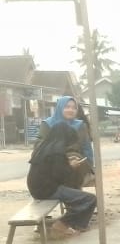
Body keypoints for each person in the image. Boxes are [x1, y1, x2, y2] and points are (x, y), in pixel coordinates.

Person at [28, 96, 97, 236]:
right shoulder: (49, 130)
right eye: (67, 106)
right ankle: (65, 223)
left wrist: (85, 165)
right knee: (89, 199)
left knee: (77, 192)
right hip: (49, 186)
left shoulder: (77, 127)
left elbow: (86, 149)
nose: (71, 110)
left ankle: (74, 217)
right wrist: (69, 165)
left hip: (42, 183)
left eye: (74, 107)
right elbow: (59, 174)